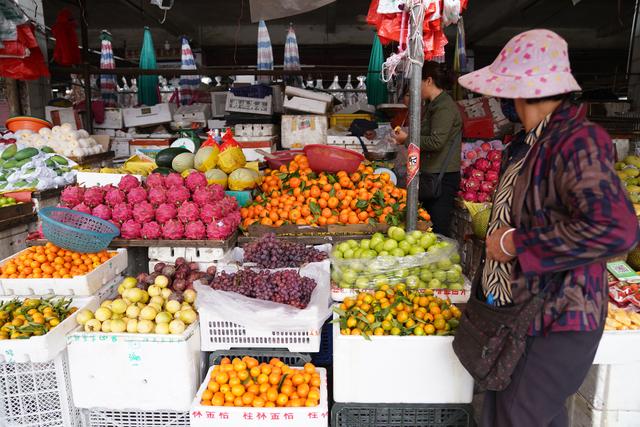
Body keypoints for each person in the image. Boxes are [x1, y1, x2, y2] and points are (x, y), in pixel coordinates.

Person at [455, 29, 640, 426]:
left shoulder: (578, 142)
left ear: (520, 90)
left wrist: (518, 242)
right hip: (522, 314)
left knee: (515, 417)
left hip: (558, 316)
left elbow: (616, 229)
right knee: (518, 414)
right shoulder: (528, 143)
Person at [393, 62, 462, 236]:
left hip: (442, 177)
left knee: (438, 229)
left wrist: (407, 139)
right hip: (431, 174)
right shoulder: (433, 105)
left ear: (428, 81)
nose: (416, 89)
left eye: (418, 83)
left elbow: (436, 142)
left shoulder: (444, 106)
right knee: (427, 227)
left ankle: (442, 262)